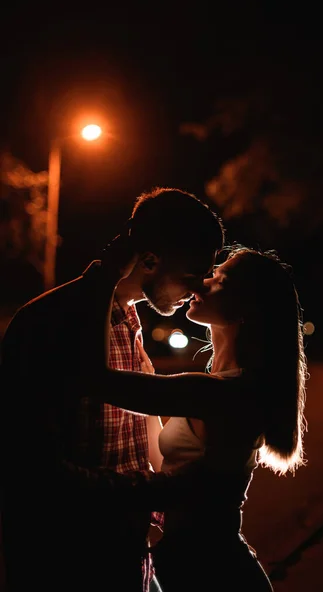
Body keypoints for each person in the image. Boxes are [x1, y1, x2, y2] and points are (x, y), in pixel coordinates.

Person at [0, 186, 225, 592]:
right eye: (191, 275)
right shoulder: (49, 323)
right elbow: (33, 472)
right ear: (150, 260)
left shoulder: (129, 319)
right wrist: (167, 490)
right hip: (68, 562)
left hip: (123, 552)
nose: (196, 290)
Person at [76, 243, 308, 591]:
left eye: (218, 279)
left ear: (245, 308)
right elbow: (163, 457)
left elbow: (98, 381)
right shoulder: (223, 386)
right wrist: (147, 372)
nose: (200, 283)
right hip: (190, 562)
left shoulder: (226, 392)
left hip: (213, 571)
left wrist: (104, 277)